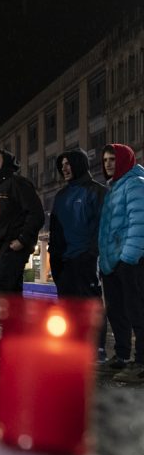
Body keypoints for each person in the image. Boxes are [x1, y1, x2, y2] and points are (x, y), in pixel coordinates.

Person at [48, 148, 107, 361]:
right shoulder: (61, 195)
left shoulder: (97, 191)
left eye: (68, 164)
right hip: (64, 262)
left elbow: (102, 226)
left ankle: (97, 348)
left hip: (87, 259)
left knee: (91, 304)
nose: (64, 169)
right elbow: (55, 230)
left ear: (79, 164)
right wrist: (54, 257)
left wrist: (92, 254)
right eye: (61, 165)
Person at [97, 144, 144, 382]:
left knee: (137, 312)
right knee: (117, 312)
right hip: (113, 263)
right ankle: (123, 356)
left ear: (125, 159)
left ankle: (141, 364)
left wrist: (128, 257)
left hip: (130, 261)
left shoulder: (135, 183)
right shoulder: (114, 187)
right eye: (105, 160)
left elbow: (139, 222)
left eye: (113, 159)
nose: (108, 164)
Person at [0, 149, 44, 295]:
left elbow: (36, 213)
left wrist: (22, 240)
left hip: (12, 247)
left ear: (5, 163)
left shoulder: (18, 183)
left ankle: (4, 318)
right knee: (11, 293)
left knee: (4, 291)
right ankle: (13, 318)